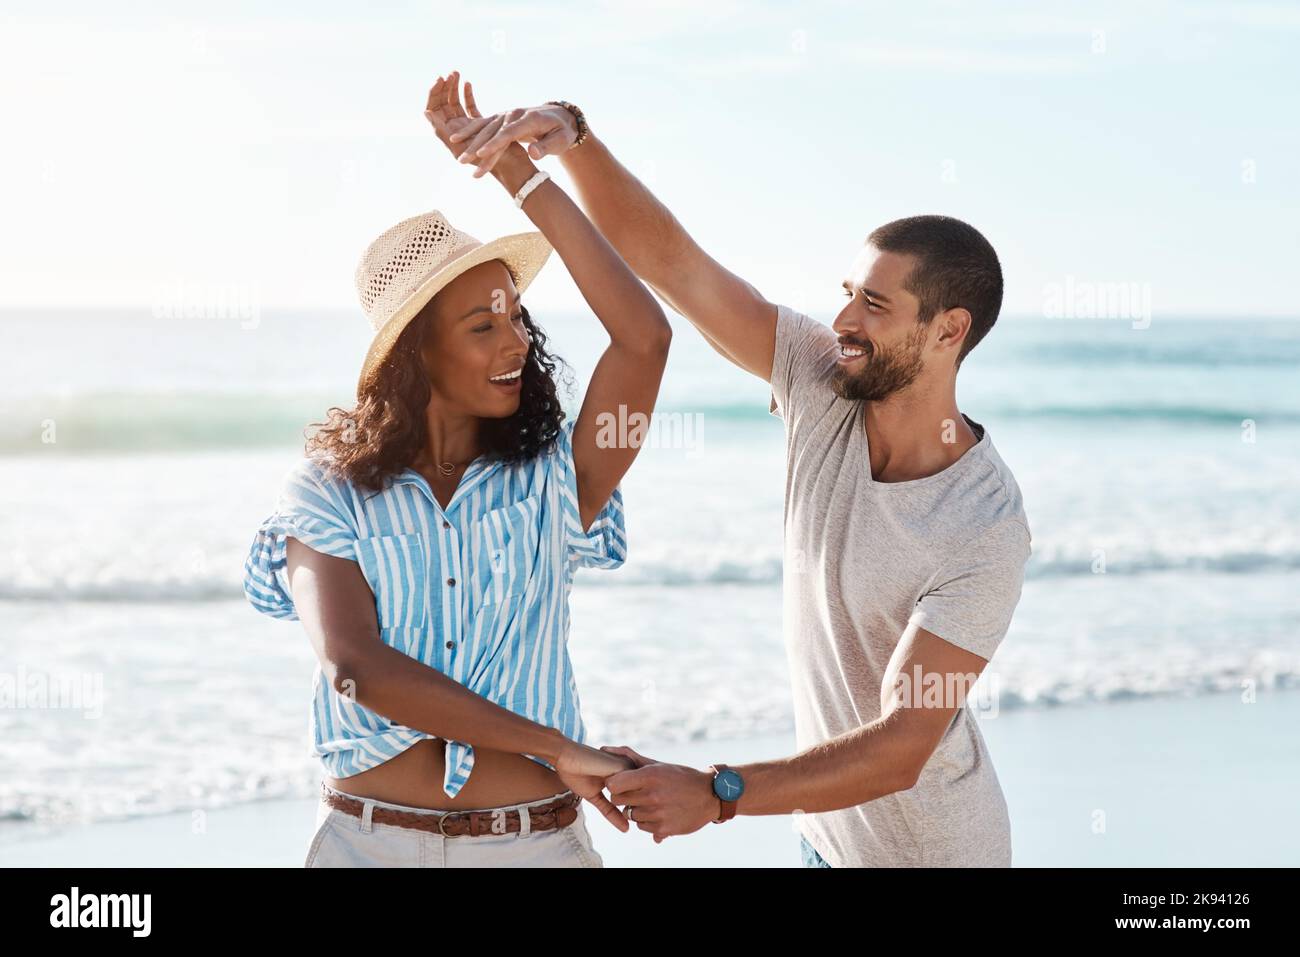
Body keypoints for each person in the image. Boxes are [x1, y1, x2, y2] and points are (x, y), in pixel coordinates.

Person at [450, 84, 1033, 867]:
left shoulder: (983, 521)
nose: (845, 322)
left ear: (949, 330)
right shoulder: (819, 380)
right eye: (847, 295)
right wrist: (569, 143)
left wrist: (720, 792)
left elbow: (904, 745)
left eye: (875, 305)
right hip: (822, 842)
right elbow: (678, 269)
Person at [240, 72, 672, 867]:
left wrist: (515, 171)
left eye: (517, 314)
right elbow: (355, 669)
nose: (515, 342)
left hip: (535, 845)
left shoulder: (555, 480)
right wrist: (557, 746)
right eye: (482, 324)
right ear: (418, 353)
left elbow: (644, 337)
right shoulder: (328, 492)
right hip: (367, 845)